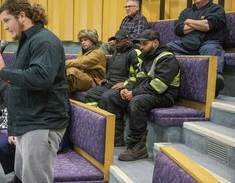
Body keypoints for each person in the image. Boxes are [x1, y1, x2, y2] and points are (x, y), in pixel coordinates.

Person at [0, 0, 69, 183]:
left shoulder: (44, 41)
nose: (5, 27)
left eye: (7, 20)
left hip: (41, 123)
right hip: (29, 122)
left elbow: (41, 78)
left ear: (22, 15)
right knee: (22, 177)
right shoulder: (28, 41)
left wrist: (2, 71)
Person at [106, 29, 180, 161]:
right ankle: (116, 138)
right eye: (140, 44)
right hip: (147, 91)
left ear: (155, 43)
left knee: (137, 102)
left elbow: (160, 86)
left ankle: (138, 146)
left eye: (144, 44)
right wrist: (127, 88)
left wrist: (134, 93)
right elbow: (137, 78)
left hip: (166, 95)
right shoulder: (146, 57)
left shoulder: (167, 57)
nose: (141, 47)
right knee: (112, 96)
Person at [167, 0, 226, 97]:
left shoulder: (217, 9)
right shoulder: (186, 12)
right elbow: (178, 30)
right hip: (187, 45)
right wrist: (199, 24)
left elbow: (208, 25)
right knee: (167, 48)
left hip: (208, 42)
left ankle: (216, 80)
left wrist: (188, 22)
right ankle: (168, 79)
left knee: (213, 49)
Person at [0, 99, 73, 183]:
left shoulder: (59, 97)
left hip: (50, 139)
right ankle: (19, 176)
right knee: (0, 147)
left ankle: (21, 178)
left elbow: (52, 125)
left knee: (29, 150)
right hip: (31, 133)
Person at [84, 29, 141, 109]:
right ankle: (95, 117)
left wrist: (125, 84)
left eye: (119, 40)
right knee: (90, 94)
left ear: (127, 40)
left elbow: (139, 74)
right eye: (115, 40)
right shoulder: (116, 52)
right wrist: (106, 78)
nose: (116, 42)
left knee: (106, 97)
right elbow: (111, 68)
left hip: (124, 86)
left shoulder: (134, 52)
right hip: (111, 83)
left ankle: (108, 120)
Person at [66, 29, 106, 94]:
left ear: (92, 40)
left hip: (94, 81)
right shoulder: (81, 53)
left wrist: (63, 64)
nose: (83, 42)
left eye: (85, 40)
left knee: (71, 72)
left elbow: (81, 62)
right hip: (84, 77)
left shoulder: (98, 53)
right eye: (81, 41)